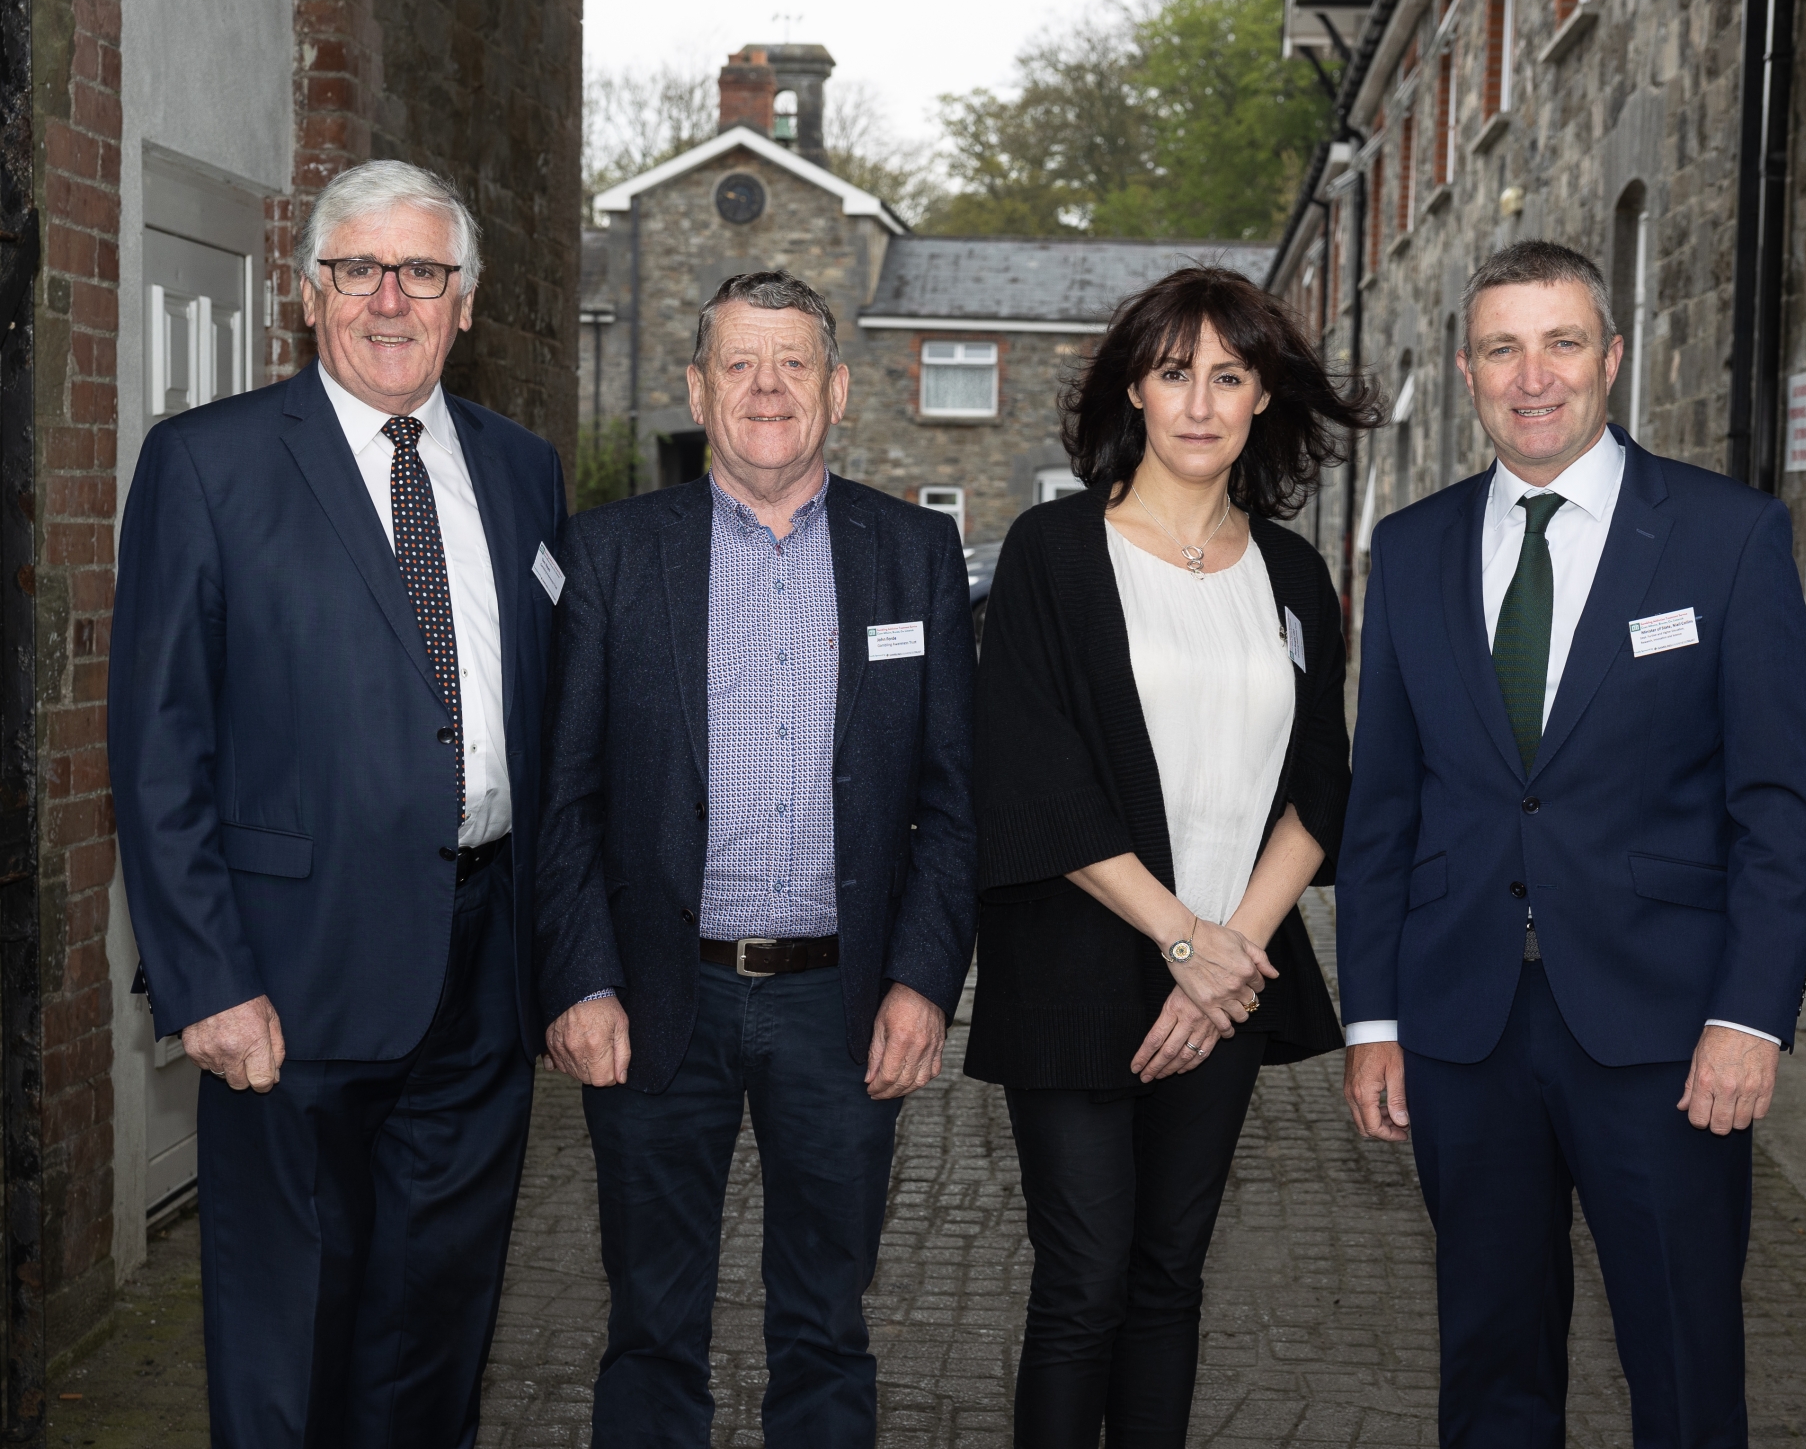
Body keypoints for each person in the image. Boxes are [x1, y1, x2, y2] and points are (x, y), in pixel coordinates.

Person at [108, 160, 567, 1446]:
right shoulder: (208, 464)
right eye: (358, 268)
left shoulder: (524, 471)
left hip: (483, 974)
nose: (389, 299)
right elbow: (157, 750)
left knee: (437, 1327)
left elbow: (547, 716)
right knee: (288, 1337)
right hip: (288, 980)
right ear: (310, 292)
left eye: (421, 271)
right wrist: (205, 981)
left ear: (464, 300)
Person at [1338, 241, 1806, 1447]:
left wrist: (1751, 1018)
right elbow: (1384, 807)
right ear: (1467, 371)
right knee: (1491, 1360)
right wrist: (1373, 1021)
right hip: (1462, 1024)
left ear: (1611, 357)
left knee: (1684, 1357)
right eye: (1502, 348)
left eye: (1561, 343)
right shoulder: (1411, 548)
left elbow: (1778, 808)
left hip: (1666, 1029)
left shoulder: (1726, 536)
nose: (1533, 376)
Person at [536, 269, 976, 1447]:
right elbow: (564, 797)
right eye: (739, 363)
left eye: (793, 364)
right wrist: (579, 979)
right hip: (654, 992)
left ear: (838, 389)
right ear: (697, 390)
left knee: (827, 1324)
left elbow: (953, 797)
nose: (766, 388)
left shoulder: (914, 552)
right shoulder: (612, 553)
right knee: (650, 1323)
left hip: (843, 998)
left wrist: (923, 981)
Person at [967, 264, 1375, 1448]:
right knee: (1083, 1281)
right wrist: (1184, 941)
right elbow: (1033, 774)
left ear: (1263, 398)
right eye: (1175, 372)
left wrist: (1230, 953)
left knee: (1167, 1278)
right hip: (1078, 964)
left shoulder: (1294, 575)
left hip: (1231, 980)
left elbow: (1319, 782)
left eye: (1229, 376)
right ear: (1134, 391)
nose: (1201, 402)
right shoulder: (1053, 551)